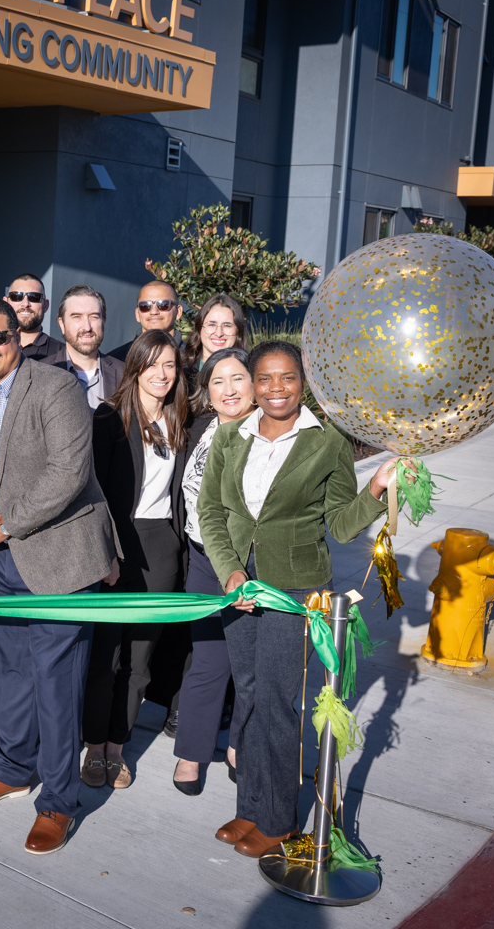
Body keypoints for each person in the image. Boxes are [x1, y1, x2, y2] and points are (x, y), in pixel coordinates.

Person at [198, 340, 406, 858]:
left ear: (302, 382)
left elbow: (338, 523)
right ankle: (250, 808)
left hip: (295, 588)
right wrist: (229, 575)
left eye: (286, 378)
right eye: (264, 379)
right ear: (250, 383)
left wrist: (377, 488)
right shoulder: (230, 438)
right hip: (240, 588)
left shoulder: (326, 441)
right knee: (246, 694)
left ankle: (277, 820)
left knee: (274, 698)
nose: (275, 389)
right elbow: (213, 514)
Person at [0, 298, 120, 856]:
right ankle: (11, 770)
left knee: (56, 684)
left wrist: (4, 526)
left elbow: (69, 473)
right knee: (9, 673)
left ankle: (59, 803)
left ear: (18, 334)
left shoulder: (56, 387)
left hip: (58, 561)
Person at [82, 329, 191, 790]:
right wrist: (104, 551)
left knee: (140, 658)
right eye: (153, 365)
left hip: (161, 544)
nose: (162, 375)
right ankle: (93, 746)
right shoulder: (109, 417)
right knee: (104, 653)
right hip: (117, 544)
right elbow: (94, 491)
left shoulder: (183, 417)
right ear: (135, 367)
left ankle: (117, 748)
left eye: (170, 365)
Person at [171, 345, 253, 796]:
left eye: (238, 378)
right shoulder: (200, 427)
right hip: (202, 559)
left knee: (247, 661)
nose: (228, 389)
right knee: (207, 659)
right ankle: (192, 752)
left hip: (249, 563)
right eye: (218, 381)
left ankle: (240, 745)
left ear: (255, 384)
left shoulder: (267, 433)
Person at [46, 284, 124, 410]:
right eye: (77, 316)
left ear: (103, 321)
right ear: (61, 323)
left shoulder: (125, 374)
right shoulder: (41, 373)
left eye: (94, 316)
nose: (87, 327)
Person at [107, 280, 184, 361]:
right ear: (137, 314)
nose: (154, 312)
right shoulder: (116, 360)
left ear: (178, 312)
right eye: (145, 306)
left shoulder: (194, 360)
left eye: (163, 305)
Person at [4, 274, 64, 362]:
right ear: (5, 303)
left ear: (46, 305)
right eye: (16, 296)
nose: (25, 304)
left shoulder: (61, 353)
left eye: (34, 297)